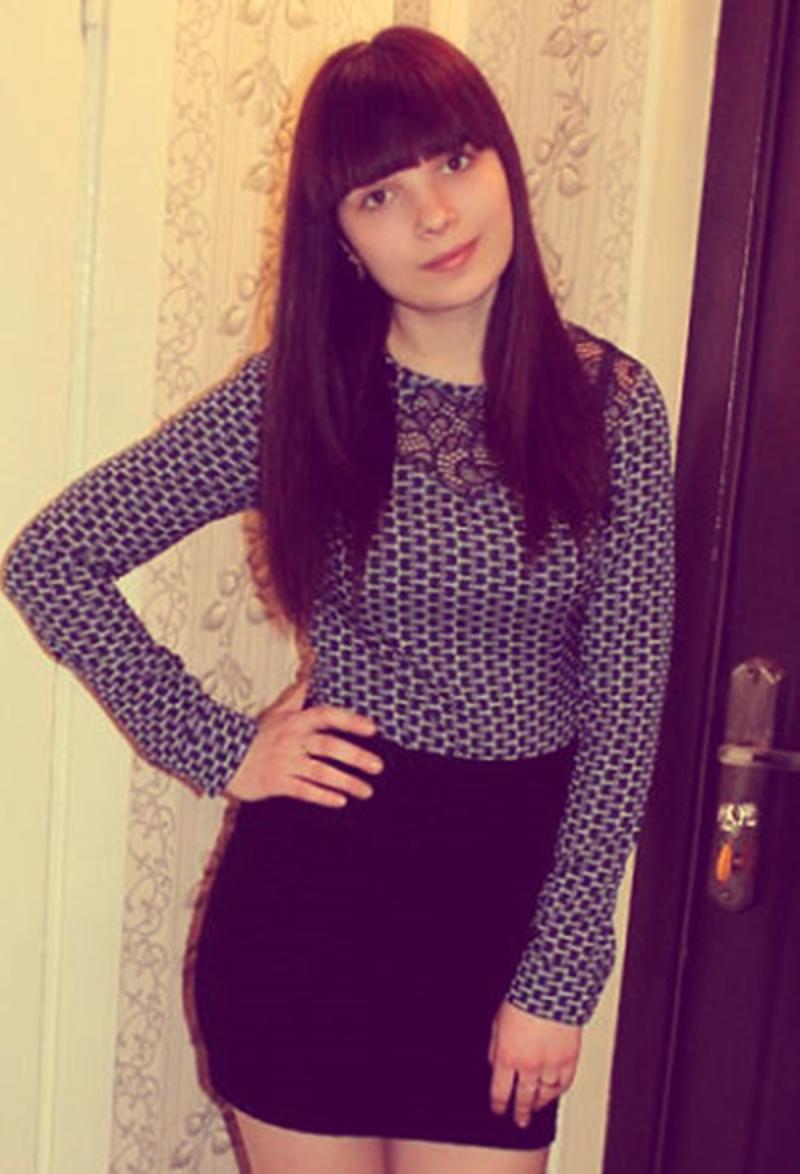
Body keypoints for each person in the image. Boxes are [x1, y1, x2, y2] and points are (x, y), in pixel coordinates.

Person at [3, 25, 674, 1174]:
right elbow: (52, 558)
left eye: (454, 160)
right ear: (342, 236)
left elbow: (625, 702)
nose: (434, 215)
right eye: (379, 194)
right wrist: (218, 745)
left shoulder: (608, 404)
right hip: (311, 914)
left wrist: (561, 973)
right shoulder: (300, 397)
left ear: (503, 163)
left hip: (503, 913)